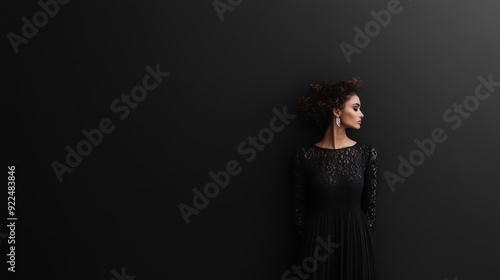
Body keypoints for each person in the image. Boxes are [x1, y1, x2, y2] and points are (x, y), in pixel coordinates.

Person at [291, 77, 379, 280]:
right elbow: (298, 210)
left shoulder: (366, 153)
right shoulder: (304, 156)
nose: (361, 114)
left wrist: (358, 238)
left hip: (356, 241)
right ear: (337, 112)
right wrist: (311, 242)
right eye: (356, 108)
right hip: (316, 244)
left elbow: (370, 208)